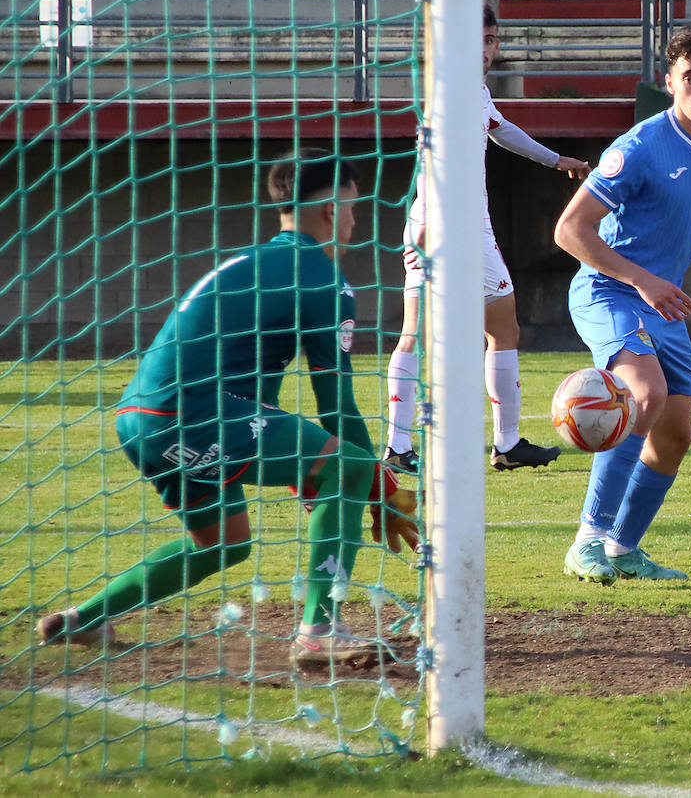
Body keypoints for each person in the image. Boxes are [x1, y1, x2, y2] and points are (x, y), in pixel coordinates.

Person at [37, 150, 420, 665]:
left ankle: (84, 619)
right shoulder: (324, 279)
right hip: (194, 412)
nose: (355, 220)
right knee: (348, 468)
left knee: (223, 542)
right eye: (353, 207)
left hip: (140, 417)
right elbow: (338, 406)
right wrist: (379, 484)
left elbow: (264, 409)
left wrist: (326, 474)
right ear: (331, 209)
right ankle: (318, 629)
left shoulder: (251, 262)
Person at [554, 26, 691, 584]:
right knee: (644, 396)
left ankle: (623, 549)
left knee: (675, 433)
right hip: (610, 291)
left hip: (662, 304)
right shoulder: (637, 148)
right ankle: (586, 542)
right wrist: (644, 279)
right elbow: (570, 231)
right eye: (690, 79)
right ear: (669, 82)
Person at [385, 2, 589, 474]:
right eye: (478, 37)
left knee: (445, 333)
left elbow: (500, 129)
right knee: (486, 330)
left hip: (441, 220)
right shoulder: (450, 90)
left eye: (493, 39)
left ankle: (408, 446)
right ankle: (502, 442)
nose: (487, 48)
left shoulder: (467, 88)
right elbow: (435, 158)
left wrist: (556, 160)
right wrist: (432, 223)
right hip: (452, 223)